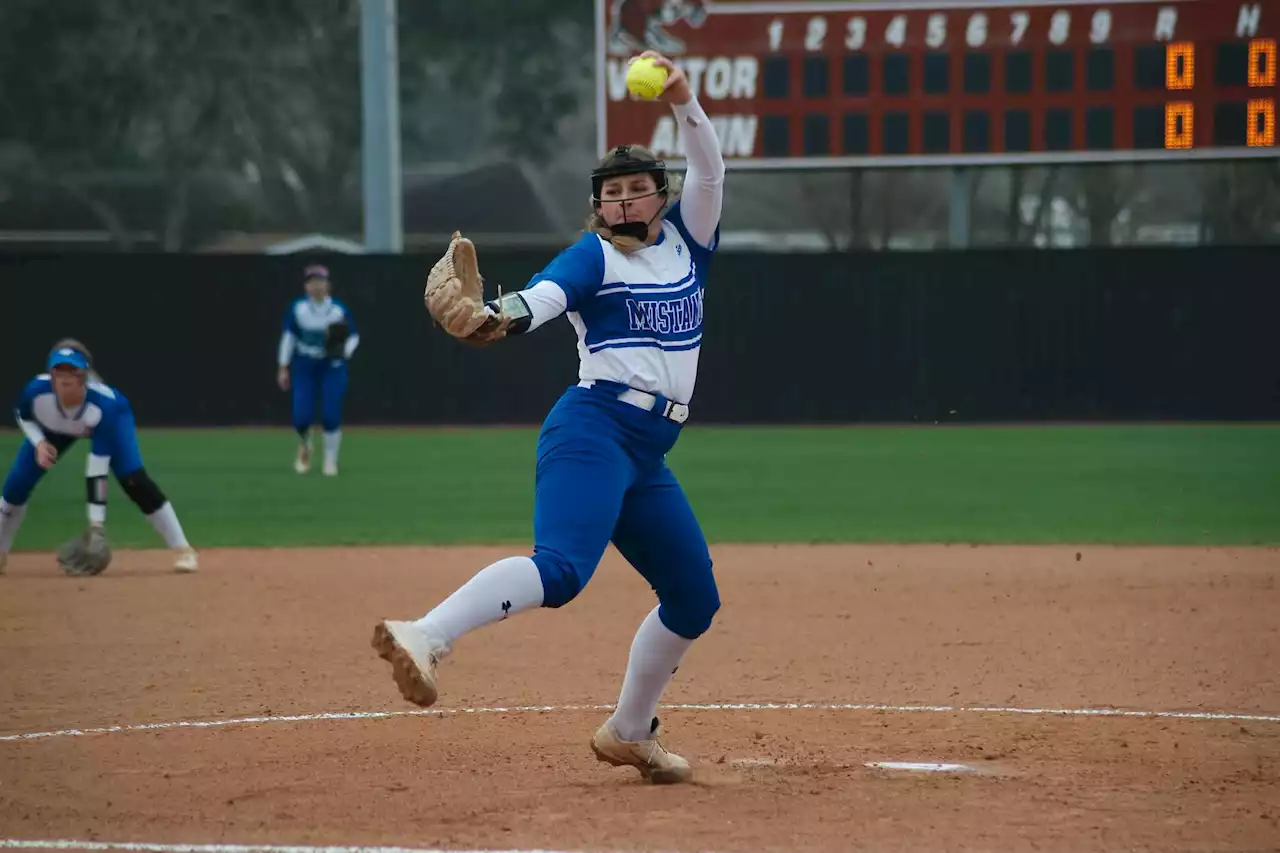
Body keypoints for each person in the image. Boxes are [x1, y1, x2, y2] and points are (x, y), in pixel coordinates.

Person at [372, 50, 725, 785]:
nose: (625, 201)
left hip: (648, 453)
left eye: (637, 189)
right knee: (562, 569)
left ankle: (630, 730)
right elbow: (545, 296)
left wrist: (686, 103)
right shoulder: (595, 256)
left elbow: (711, 170)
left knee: (694, 597)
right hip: (594, 428)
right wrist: (495, 313)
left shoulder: (690, 244)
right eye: (611, 192)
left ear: (662, 197)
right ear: (596, 206)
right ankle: (425, 635)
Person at [0, 340, 198, 575]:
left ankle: (183, 550)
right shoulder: (35, 392)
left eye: (71, 370)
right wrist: (39, 443)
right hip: (55, 428)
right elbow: (23, 416)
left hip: (105, 422)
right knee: (16, 485)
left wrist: (96, 526)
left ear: (83, 375)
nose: (64, 378)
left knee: (133, 480)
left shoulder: (105, 406)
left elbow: (97, 469)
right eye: (58, 370)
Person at [277, 264, 360, 476]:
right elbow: (289, 338)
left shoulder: (337, 310)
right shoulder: (298, 309)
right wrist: (283, 366)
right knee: (301, 417)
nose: (316, 286)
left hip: (331, 365)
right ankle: (305, 446)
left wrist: (344, 353)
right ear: (306, 286)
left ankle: (330, 460)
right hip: (305, 364)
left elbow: (353, 336)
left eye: (320, 281)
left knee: (331, 413)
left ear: (328, 285)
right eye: (312, 282)